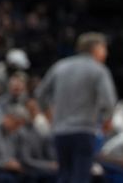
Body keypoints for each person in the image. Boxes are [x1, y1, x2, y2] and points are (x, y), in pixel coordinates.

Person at [35, 32, 117, 183]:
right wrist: (107, 120)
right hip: (84, 130)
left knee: (64, 175)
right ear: (96, 48)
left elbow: (40, 93)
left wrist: (48, 114)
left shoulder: (60, 66)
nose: (106, 53)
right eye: (104, 48)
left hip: (60, 130)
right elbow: (109, 101)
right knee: (81, 177)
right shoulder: (98, 69)